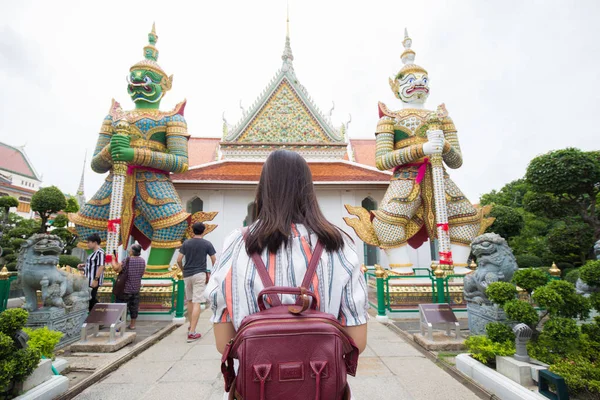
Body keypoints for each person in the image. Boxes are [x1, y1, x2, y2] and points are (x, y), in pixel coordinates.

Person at [206, 150, 369, 398]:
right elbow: (357, 340)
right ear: (309, 190)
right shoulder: (340, 244)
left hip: (258, 388)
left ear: (264, 189)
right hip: (320, 389)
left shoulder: (236, 244)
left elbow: (224, 344)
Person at [177, 222, 216, 342]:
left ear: (192, 231)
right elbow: (214, 260)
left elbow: (179, 259)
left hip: (187, 274)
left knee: (189, 300)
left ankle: (190, 326)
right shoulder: (207, 244)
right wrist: (214, 273)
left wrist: (183, 269)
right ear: (203, 231)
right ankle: (192, 331)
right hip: (200, 273)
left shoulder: (186, 243)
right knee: (197, 301)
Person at [111, 243, 146, 330]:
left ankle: (119, 327)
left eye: (130, 250)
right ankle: (132, 325)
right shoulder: (142, 261)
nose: (129, 251)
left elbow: (117, 269)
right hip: (136, 288)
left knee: (122, 308)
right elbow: (142, 273)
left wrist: (112, 260)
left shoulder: (127, 260)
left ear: (132, 251)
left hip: (126, 289)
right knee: (134, 307)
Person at [77, 233, 105, 312]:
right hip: (88, 280)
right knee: (90, 299)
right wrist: (83, 266)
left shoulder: (100, 252)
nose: (87, 244)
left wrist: (96, 279)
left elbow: (101, 266)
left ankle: (103, 314)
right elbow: (92, 266)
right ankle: (99, 315)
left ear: (95, 242)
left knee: (91, 299)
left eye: (89, 242)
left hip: (93, 280)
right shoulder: (93, 253)